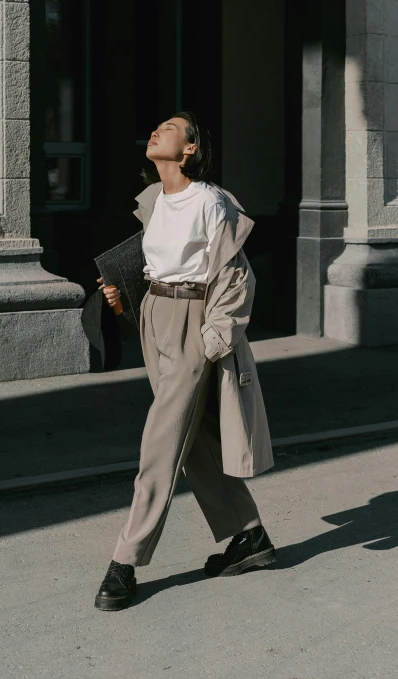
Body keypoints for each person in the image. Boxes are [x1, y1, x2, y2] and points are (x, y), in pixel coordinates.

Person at [95, 112, 275, 612]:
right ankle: (249, 535)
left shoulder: (210, 202)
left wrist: (211, 342)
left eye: (170, 128)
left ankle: (124, 560)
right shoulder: (155, 200)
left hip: (195, 324)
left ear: (190, 148)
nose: (157, 131)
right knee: (191, 438)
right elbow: (157, 265)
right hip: (155, 315)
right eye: (157, 127)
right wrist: (123, 296)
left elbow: (237, 278)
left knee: (160, 439)